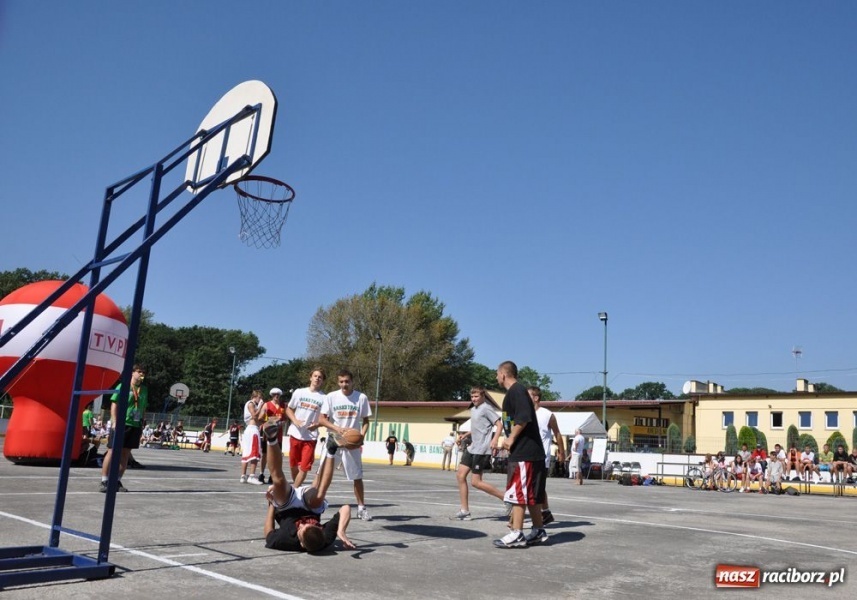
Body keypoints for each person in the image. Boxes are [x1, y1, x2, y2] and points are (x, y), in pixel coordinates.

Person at [262, 420, 356, 553]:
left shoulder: (285, 540)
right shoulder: (325, 537)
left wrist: (272, 503)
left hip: (286, 506)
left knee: (278, 481)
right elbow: (346, 508)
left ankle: (271, 437)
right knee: (319, 495)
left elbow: (268, 533)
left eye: (300, 529)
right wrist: (341, 531)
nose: (303, 524)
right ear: (320, 529)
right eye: (310, 524)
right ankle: (331, 449)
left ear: (301, 543)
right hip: (309, 504)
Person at [493, 361, 547, 549]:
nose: (496, 377)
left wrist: (511, 438)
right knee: (530, 494)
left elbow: (523, 418)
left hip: (525, 453)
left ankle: (517, 534)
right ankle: (538, 531)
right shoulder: (513, 393)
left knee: (519, 494)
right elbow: (511, 421)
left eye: (497, 374)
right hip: (526, 453)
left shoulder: (517, 391)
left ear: (503, 374)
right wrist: (505, 438)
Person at [318, 369, 373, 521]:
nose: (344, 384)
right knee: (322, 474)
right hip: (334, 440)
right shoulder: (331, 397)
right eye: (341, 381)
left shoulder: (361, 398)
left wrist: (361, 436)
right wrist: (337, 428)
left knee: (357, 477)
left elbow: (366, 421)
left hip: (351, 442)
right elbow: (322, 419)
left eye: (347, 381)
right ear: (338, 382)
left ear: (352, 381)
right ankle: (316, 505)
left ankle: (361, 508)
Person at [453, 386, 505, 521]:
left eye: (476, 396)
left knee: (476, 482)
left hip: (482, 449)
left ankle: (506, 498)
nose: (474, 399)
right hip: (472, 448)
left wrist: (495, 440)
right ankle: (464, 511)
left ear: (483, 397)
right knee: (460, 476)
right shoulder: (474, 409)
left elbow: (499, 425)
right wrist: (466, 435)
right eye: (472, 397)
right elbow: (478, 427)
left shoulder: (486, 408)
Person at [99, 365, 147, 492]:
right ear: (132, 373)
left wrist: (142, 423)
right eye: (139, 371)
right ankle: (104, 480)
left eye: (143, 372)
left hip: (135, 425)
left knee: (125, 453)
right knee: (112, 451)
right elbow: (114, 404)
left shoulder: (144, 390)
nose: (141, 374)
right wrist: (114, 421)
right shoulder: (123, 386)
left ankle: (117, 481)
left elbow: (143, 408)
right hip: (121, 423)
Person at [529, 385, 565, 524]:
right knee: (538, 487)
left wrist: (562, 452)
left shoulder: (547, 415)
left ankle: (538, 519)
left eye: (528, 395)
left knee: (536, 488)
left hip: (541, 457)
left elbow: (557, 433)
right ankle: (546, 513)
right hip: (528, 455)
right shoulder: (525, 413)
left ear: (536, 398)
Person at [285, 368, 327, 487]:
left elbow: (325, 418)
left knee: (304, 467)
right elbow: (289, 409)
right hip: (295, 433)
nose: (317, 378)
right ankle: (297, 489)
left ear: (323, 380)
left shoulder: (324, 398)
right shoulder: (299, 392)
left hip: (310, 437)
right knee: (293, 466)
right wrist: (295, 421)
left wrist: (317, 425)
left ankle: (294, 491)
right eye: (315, 376)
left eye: (320, 377)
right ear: (310, 377)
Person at [261, 388, 287, 483]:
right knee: (265, 454)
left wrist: (281, 423)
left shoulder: (283, 406)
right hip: (268, 433)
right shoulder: (266, 404)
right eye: (274, 394)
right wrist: (268, 422)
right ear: (272, 395)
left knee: (277, 455)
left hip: (278, 434)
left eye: (278, 394)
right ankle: (261, 473)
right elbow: (261, 417)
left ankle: (273, 475)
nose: (276, 396)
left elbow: (285, 419)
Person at [240, 389, 265, 485]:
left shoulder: (252, 404)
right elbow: (254, 416)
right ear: (255, 396)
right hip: (252, 430)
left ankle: (243, 476)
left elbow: (258, 419)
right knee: (254, 453)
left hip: (250, 429)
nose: (261, 399)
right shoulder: (251, 404)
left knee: (246, 453)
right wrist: (260, 406)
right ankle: (251, 476)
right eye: (260, 397)